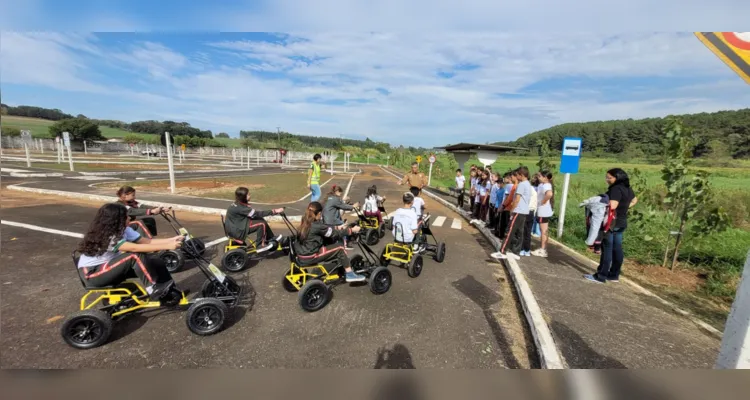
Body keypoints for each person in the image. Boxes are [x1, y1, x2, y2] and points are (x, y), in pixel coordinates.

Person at [76, 203, 184, 301]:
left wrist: (173, 240)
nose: (129, 218)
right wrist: (167, 246)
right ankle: (153, 289)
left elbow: (146, 241)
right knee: (134, 256)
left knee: (155, 260)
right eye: (125, 216)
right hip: (93, 274)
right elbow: (134, 248)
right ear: (116, 220)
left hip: (108, 267)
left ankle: (171, 292)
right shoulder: (108, 236)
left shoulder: (124, 229)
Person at [585, 168, 637, 284]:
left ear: (617, 177)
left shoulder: (615, 189)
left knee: (607, 248)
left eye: (609, 177)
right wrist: (624, 208)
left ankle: (601, 276)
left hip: (611, 223)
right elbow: (634, 200)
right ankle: (614, 275)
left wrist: (597, 204)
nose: (607, 179)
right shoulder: (627, 188)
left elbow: (612, 206)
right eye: (606, 177)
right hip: (621, 222)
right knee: (617, 248)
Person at [295, 202, 366, 282]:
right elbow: (334, 234)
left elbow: (325, 230)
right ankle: (349, 274)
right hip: (311, 256)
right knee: (340, 248)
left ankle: (338, 264)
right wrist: (351, 230)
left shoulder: (304, 222)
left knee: (329, 242)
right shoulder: (317, 225)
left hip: (301, 256)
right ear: (319, 213)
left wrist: (337, 227)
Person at [225, 187, 284, 253]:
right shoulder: (241, 208)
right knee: (261, 224)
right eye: (248, 194)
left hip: (235, 226)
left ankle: (270, 237)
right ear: (243, 197)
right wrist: (274, 211)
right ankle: (259, 245)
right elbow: (258, 213)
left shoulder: (237, 203)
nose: (250, 195)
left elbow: (254, 215)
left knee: (260, 219)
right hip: (237, 230)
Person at [493, 167, 531, 260]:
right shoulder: (528, 184)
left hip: (518, 211)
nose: (516, 176)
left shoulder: (521, 185)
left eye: (517, 175)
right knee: (519, 232)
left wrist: (512, 210)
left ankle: (502, 251)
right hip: (524, 211)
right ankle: (516, 252)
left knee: (509, 231)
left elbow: (517, 199)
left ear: (521, 175)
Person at [323, 185, 360, 250]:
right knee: (345, 227)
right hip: (332, 220)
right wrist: (353, 206)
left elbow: (337, 204)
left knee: (341, 223)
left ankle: (335, 242)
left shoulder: (329, 198)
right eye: (340, 193)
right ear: (337, 191)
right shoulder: (335, 199)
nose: (340, 194)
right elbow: (343, 206)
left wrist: (343, 200)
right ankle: (345, 245)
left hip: (325, 219)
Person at [533, 171, 555, 258]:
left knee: (543, 231)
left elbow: (549, 194)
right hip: (542, 210)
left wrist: (543, 201)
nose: (538, 177)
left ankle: (543, 250)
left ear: (545, 177)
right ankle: (543, 248)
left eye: (540, 176)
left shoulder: (546, 185)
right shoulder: (543, 184)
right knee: (543, 231)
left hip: (543, 211)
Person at [521, 175, 539, 257]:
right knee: (528, 232)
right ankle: (527, 250)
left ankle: (522, 249)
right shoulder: (534, 191)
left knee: (522, 231)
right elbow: (535, 204)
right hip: (531, 212)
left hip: (525, 211)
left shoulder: (528, 190)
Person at [496, 172, 515, 240]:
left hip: (506, 207)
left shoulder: (508, 186)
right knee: (506, 222)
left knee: (504, 222)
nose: (504, 180)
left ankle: (501, 236)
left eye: (505, 178)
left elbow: (507, 197)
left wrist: (502, 206)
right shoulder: (513, 186)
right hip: (509, 206)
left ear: (509, 178)